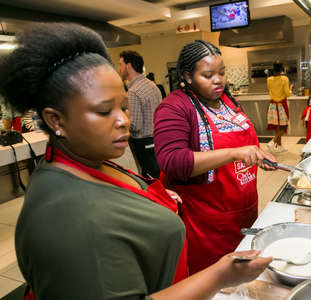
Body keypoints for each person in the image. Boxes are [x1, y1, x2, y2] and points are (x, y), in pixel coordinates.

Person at [0, 23, 271, 300]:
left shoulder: (92, 160)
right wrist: (220, 275)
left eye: (124, 107)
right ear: (56, 120)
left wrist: (155, 196)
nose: (124, 121)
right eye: (105, 111)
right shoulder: (69, 219)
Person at [154, 40, 276, 275]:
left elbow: (244, 141)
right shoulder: (174, 107)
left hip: (244, 209)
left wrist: (258, 154)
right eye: (208, 75)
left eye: (222, 73)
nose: (218, 80)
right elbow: (172, 161)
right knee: (216, 282)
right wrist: (234, 153)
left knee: (244, 274)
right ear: (188, 76)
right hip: (208, 222)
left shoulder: (227, 101)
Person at [118, 51, 162, 178]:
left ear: (128, 66)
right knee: (159, 176)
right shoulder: (153, 86)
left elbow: (135, 126)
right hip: (157, 139)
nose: (119, 69)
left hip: (144, 144)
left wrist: (123, 122)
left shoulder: (133, 91)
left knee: (149, 178)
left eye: (120, 64)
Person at [266, 61, 293, 153]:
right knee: (283, 126)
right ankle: (273, 142)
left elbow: (270, 90)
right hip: (281, 106)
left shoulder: (269, 79)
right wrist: (291, 89)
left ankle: (280, 146)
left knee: (277, 127)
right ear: (282, 69)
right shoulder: (284, 79)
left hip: (273, 106)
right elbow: (287, 94)